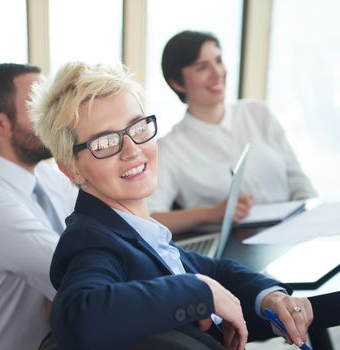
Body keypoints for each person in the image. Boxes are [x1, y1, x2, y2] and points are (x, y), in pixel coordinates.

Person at [29, 61, 315, 350]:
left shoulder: (135, 229)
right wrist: (197, 290)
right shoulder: (90, 241)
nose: (132, 150)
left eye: (137, 127)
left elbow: (211, 269)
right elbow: (77, 316)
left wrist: (269, 296)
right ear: (72, 171)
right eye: (104, 143)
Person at [0, 63, 78, 350]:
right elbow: (73, 274)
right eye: (37, 106)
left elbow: (105, 225)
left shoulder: (44, 175)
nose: (53, 118)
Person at [148, 30, 317, 234]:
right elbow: (149, 218)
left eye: (218, 61)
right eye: (202, 67)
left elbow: (300, 184)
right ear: (177, 83)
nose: (217, 72)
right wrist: (210, 213)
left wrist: (315, 227)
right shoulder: (170, 148)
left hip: (292, 233)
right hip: (234, 252)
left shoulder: (258, 113)